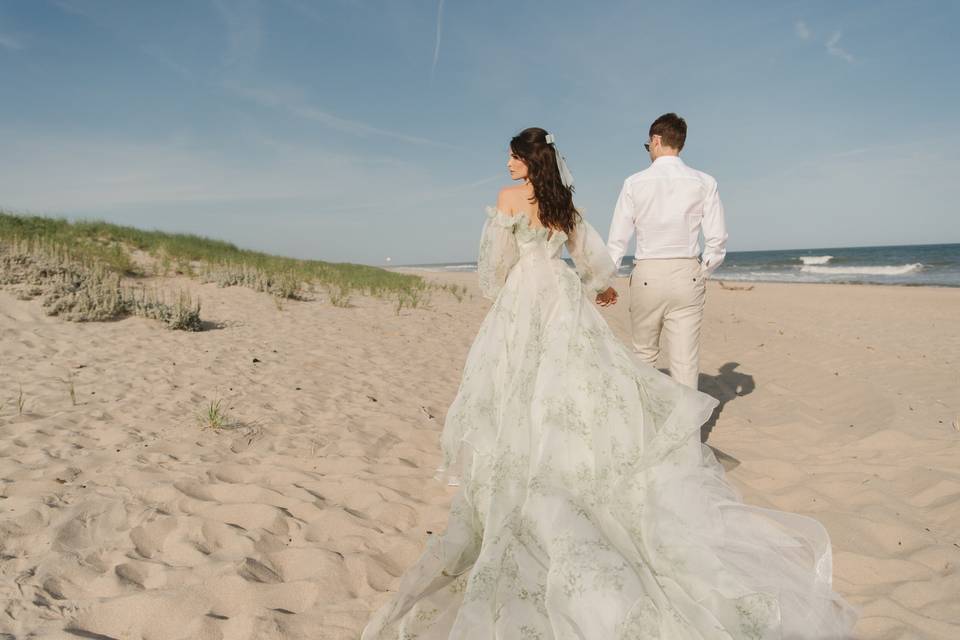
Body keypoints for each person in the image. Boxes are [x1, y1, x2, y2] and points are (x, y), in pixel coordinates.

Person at [361, 127, 855, 639]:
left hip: (524, 298)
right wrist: (597, 291)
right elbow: (589, 256)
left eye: (512, 156)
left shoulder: (508, 199)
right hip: (561, 294)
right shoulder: (563, 202)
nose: (507, 164)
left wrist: (512, 290)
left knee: (518, 385)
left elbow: (494, 270)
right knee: (573, 381)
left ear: (529, 160)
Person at [598, 113, 727, 390]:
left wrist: (605, 281)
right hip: (687, 273)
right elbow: (716, 240)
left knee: (644, 356)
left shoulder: (634, 183)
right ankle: (688, 434)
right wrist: (703, 270)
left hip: (648, 274)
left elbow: (617, 241)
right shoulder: (705, 181)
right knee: (685, 364)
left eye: (648, 146)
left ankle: (643, 428)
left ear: (656, 141)